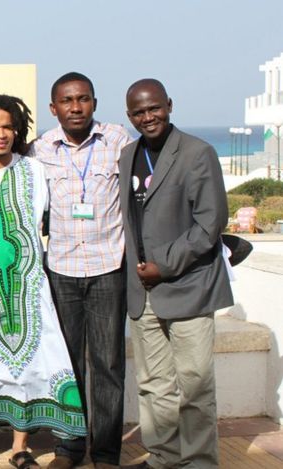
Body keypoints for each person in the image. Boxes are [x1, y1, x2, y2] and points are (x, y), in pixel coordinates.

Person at [0, 94, 87, 469]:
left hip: (28, 285)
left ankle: (20, 446)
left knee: (30, 364)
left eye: (8, 127)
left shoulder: (34, 170)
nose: (1, 134)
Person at [120, 79, 233, 469]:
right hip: (142, 293)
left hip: (189, 286)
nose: (148, 117)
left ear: (169, 104)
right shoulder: (127, 155)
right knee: (154, 386)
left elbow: (210, 223)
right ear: (129, 115)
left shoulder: (198, 153)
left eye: (154, 108)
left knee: (195, 387)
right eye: (139, 111)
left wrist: (163, 265)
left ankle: (200, 462)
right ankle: (162, 457)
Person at [28, 72, 131, 469]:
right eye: (67, 101)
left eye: (83, 99)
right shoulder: (40, 150)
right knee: (66, 364)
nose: (75, 107)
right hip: (61, 271)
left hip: (109, 267)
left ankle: (105, 454)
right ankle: (68, 448)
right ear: (53, 108)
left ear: (94, 102)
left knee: (108, 365)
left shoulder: (118, 141)